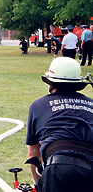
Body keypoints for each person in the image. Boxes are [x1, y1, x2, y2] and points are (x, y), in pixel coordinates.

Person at [26, 57, 93, 191]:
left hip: (58, 170)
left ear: (50, 83)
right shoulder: (91, 104)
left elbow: (33, 154)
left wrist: (39, 185)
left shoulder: (38, 105)